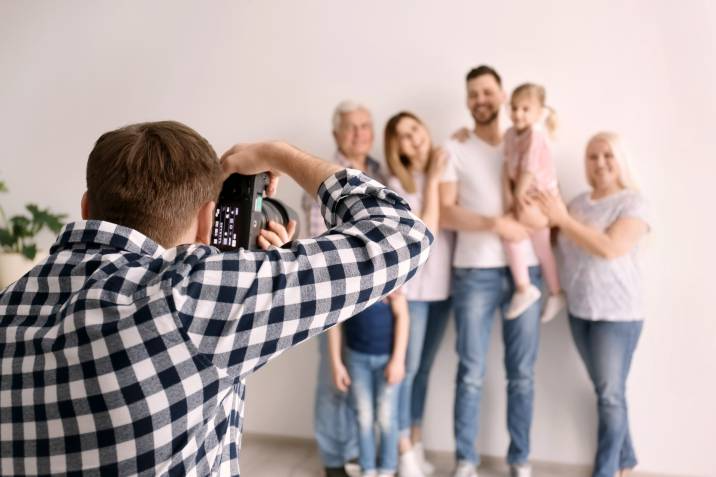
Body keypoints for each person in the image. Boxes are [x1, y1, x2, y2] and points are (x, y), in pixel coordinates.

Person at [0, 121, 432, 476]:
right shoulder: (192, 299)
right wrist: (280, 153)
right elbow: (403, 234)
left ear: (87, 206)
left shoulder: (12, 301)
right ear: (208, 217)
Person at [440, 65, 542, 477]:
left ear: (502, 95)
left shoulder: (526, 142)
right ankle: (466, 460)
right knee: (471, 373)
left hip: (527, 274)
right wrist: (494, 224)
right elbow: (446, 212)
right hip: (474, 273)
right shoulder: (455, 147)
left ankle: (520, 461)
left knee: (522, 374)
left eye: (487, 92)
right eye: (472, 94)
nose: (480, 100)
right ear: (468, 102)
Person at [534, 132, 649, 477]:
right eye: (592, 156)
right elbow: (555, 238)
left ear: (620, 159)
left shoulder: (633, 203)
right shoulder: (579, 202)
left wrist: (563, 220)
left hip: (617, 314)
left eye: (607, 155)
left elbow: (610, 248)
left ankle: (607, 470)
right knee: (608, 391)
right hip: (580, 309)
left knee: (609, 394)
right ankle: (626, 462)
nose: (599, 163)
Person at [302, 100, 386, 477]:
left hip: (377, 298)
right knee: (333, 380)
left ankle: (356, 454)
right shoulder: (323, 177)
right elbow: (320, 244)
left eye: (366, 125)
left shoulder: (382, 174)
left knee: (363, 385)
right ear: (337, 133)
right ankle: (335, 461)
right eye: (351, 127)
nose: (359, 133)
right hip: (335, 295)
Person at [383, 111, 454, 477]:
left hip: (443, 289)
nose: (414, 140)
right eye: (403, 138)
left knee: (423, 370)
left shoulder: (444, 169)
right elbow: (428, 229)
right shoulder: (399, 183)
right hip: (413, 292)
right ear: (397, 150)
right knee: (405, 372)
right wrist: (435, 180)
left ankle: (416, 438)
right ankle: (402, 450)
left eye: (415, 130)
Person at [501, 83, 565, 322]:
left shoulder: (536, 135)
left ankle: (523, 287)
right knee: (542, 248)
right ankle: (556, 292)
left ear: (538, 112)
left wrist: (517, 196)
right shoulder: (509, 135)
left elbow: (528, 169)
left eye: (525, 109)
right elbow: (508, 166)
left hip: (541, 196)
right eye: (514, 108)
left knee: (509, 231)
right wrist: (510, 194)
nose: (518, 114)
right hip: (527, 194)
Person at [327, 290, 409, 477]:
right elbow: (334, 323)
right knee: (363, 417)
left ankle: (388, 469)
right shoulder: (349, 286)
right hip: (357, 360)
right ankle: (368, 469)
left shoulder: (391, 280)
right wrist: (336, 364)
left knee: (387, 417)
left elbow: (403, 316)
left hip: (388, 359)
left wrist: (398, 360)